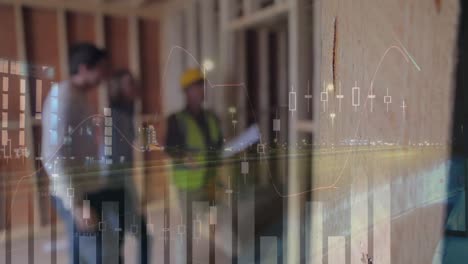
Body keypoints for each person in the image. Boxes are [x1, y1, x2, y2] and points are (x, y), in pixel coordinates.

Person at [41, 42, 122, 263]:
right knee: (101, 254)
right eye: (102, 68)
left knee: (83, 252)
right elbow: (53, 155)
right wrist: (76, 204)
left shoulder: (79, 96)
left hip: (85, 187)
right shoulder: (63, 97)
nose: (105, 75)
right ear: (85, 68)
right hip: (74, 192)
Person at [165, 68, 223, 263]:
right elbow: (170, 148)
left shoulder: (212, 118)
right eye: (197, 87)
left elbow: (218, 144)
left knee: (216, 224)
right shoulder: (177, 120)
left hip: (210, 181)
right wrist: (184, 157)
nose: (201, 91)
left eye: (202, 86)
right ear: (187, 91)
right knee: (188, 228)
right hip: (188, 184)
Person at [108, 69, 151, 264]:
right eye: (128, 83)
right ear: (118, 88)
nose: (133, 87)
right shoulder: (116, 116)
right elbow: (114, 160)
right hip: (116, 184)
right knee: (129, 237)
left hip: (122, 181)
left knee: (123, 238)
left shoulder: (127, 113)